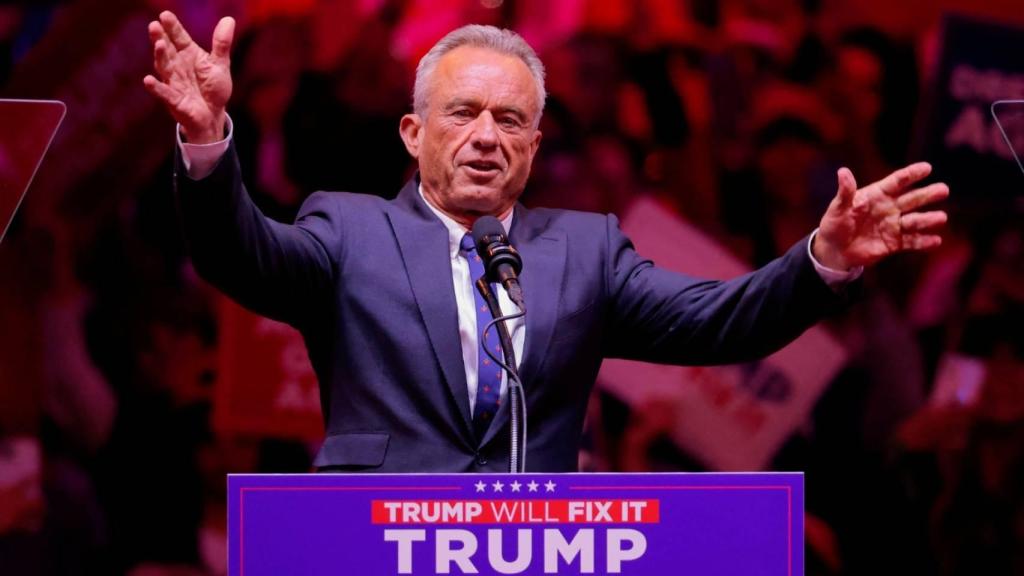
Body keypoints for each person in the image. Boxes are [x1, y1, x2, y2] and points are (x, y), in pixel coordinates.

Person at [142, 11, 949, 473]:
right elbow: (238, 253)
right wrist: (209, 140)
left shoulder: (585, 250)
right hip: (372, 546)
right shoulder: (349, 230)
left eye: (512, 121)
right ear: (413, 132)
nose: (487, 137)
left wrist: (826, 256)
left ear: (533, 146)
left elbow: (720, 320)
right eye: (463, 114)